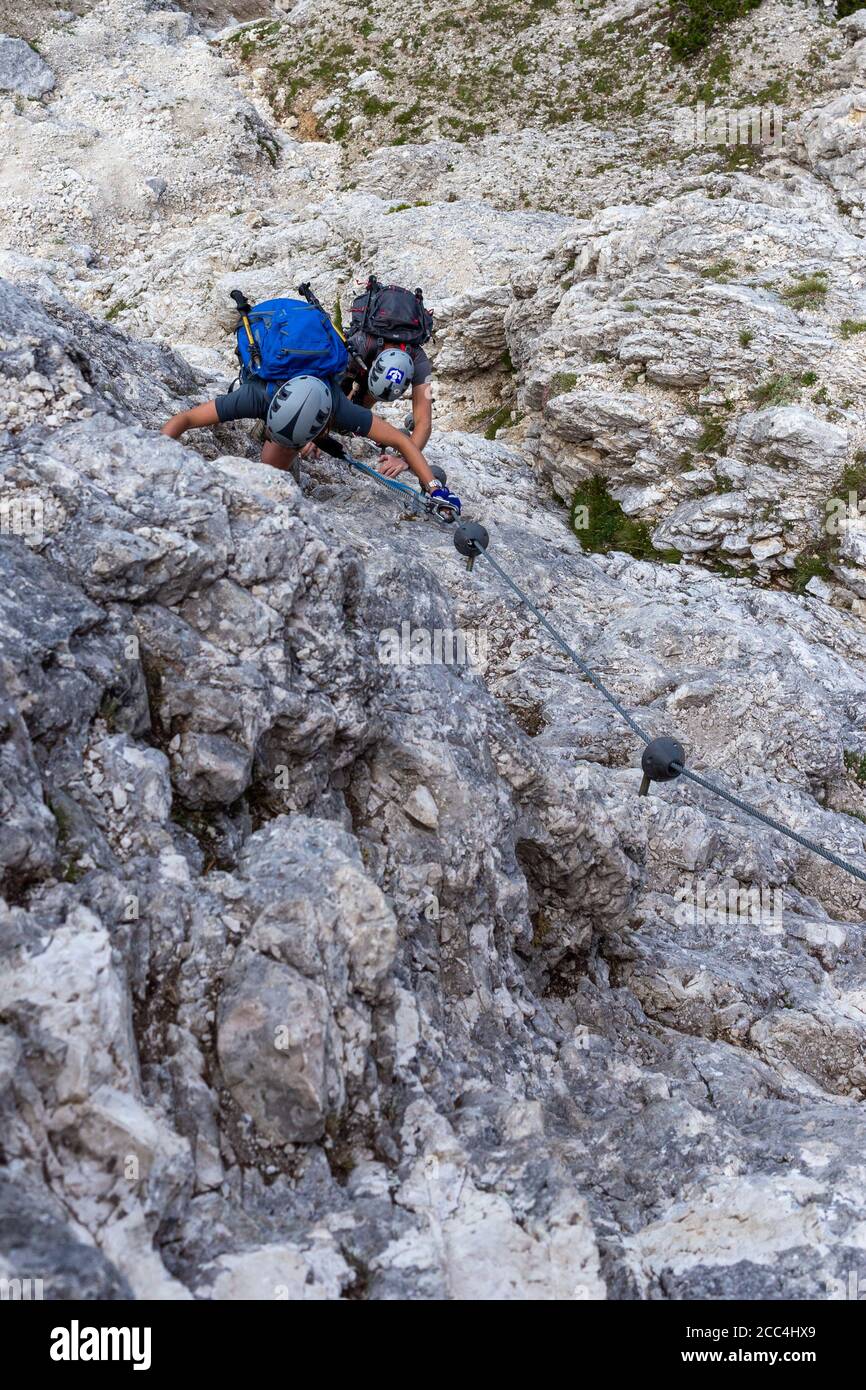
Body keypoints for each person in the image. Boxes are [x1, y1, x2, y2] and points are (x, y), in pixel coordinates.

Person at [161, 373, 462, 513]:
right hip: (275, 396)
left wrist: (435, 489)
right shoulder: (254, 395)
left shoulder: (341, 409)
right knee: (269, 475)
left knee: (270, 480)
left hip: (315, 411)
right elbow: (184, 420)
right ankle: (274, 439)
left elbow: (399, 439)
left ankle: (285, 452)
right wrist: (156, 457)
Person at [342, 278, 435, 480]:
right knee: (341, 393)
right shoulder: (361, 342)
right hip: (355, 364)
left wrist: (404, 459)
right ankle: (345, 420)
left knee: (362, 403)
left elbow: (424, 422)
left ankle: (353, 421)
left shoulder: (419, 360)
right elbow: (325, 386)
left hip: (374, 371)